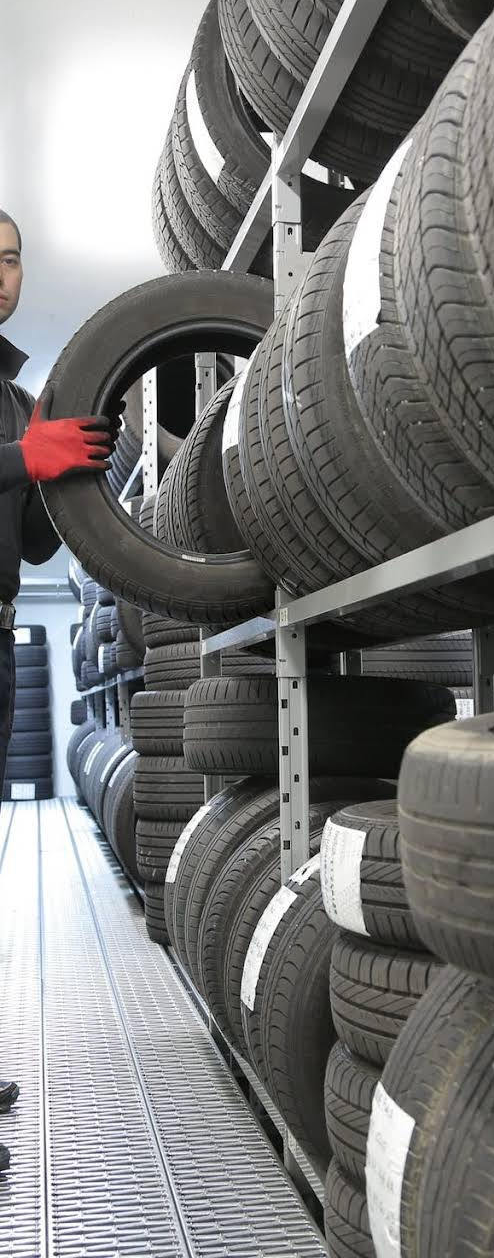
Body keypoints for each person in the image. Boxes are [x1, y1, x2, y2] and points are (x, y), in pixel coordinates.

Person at [0, 208, 115, 1174]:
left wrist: (63, 475)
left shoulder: (13, 393)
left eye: (9, 259)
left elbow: (35, 544)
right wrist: (21, 461)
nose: (1, 274)